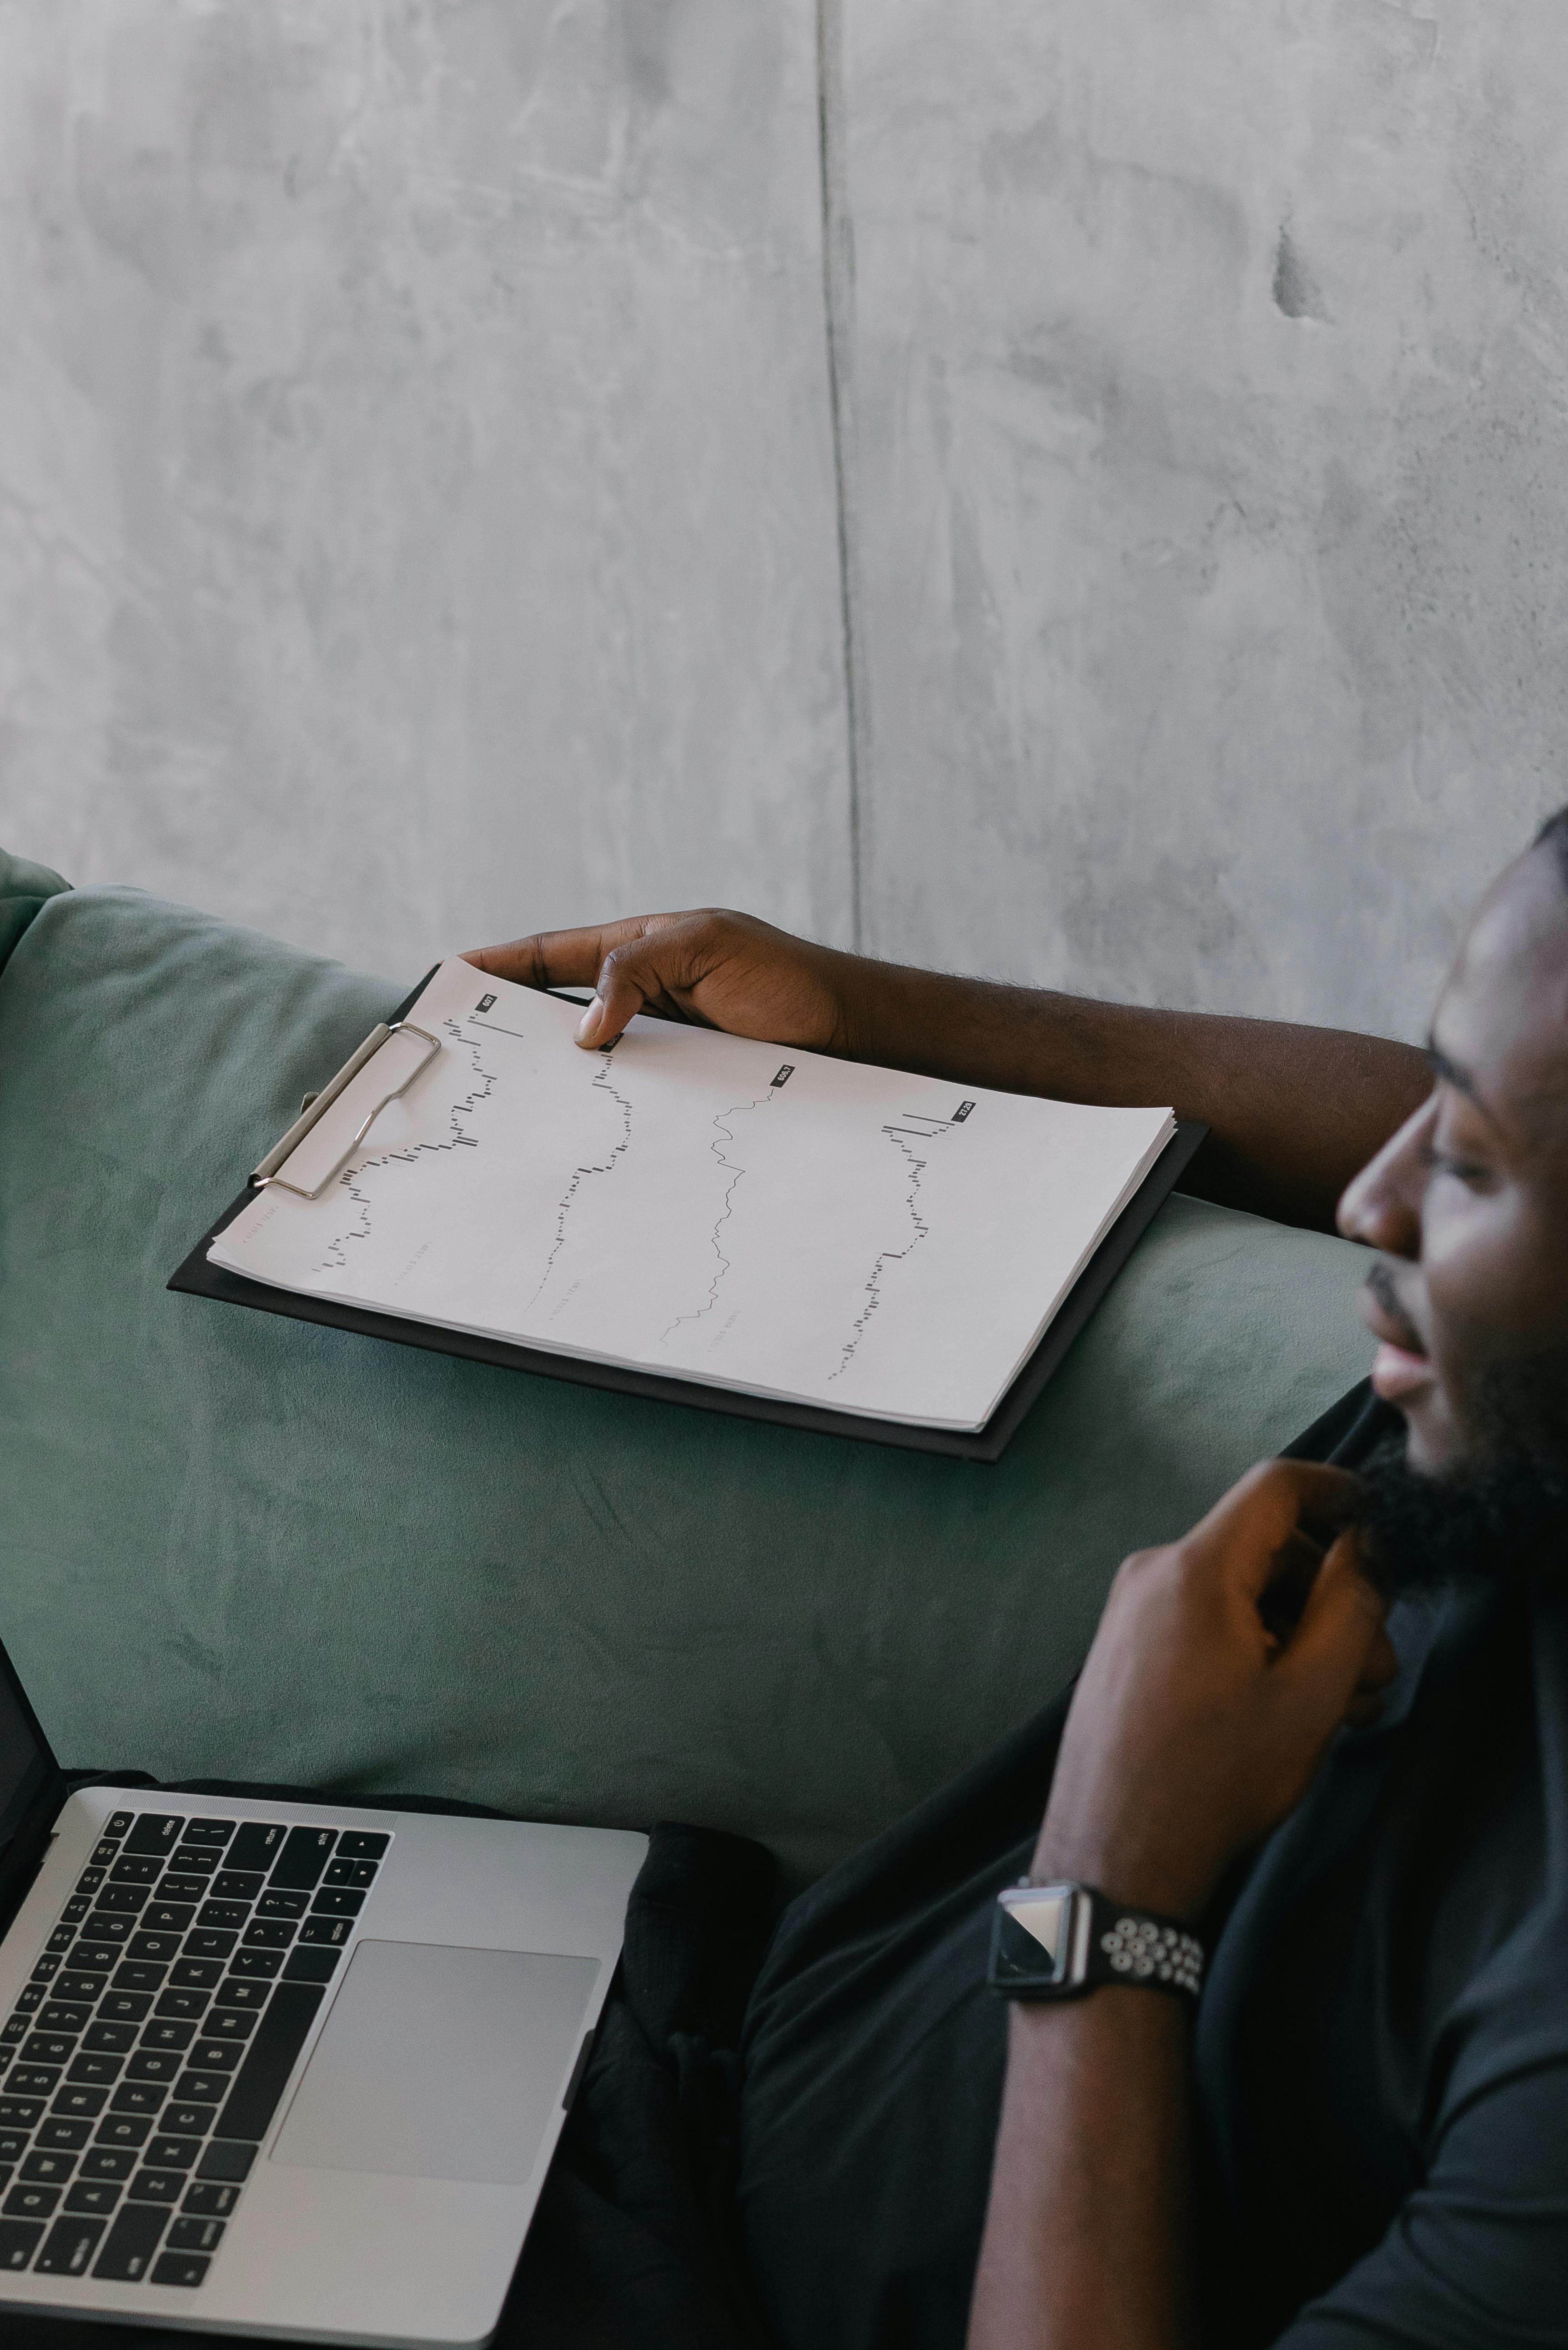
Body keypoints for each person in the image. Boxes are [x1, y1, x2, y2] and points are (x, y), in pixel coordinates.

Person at [467, 816, 1568, 2350]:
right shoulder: (1509, 1378)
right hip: (675, 2054)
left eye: (1464, 1165)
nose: (1373, 1207)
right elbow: (1452, 1104)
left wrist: (1111, 1883)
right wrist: (868, 1018)